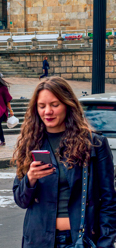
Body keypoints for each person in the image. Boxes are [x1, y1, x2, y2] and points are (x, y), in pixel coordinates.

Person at [12, 77, 116, 248]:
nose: (48, 111)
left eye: (55, 105)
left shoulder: (94, 144)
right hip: (39, 240)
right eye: (42, 106)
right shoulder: (30, 143)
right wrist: (30, 179)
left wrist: (105, 243)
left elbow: (108, 200)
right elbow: (21, 200)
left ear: (68, 105)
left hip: (80, 240)